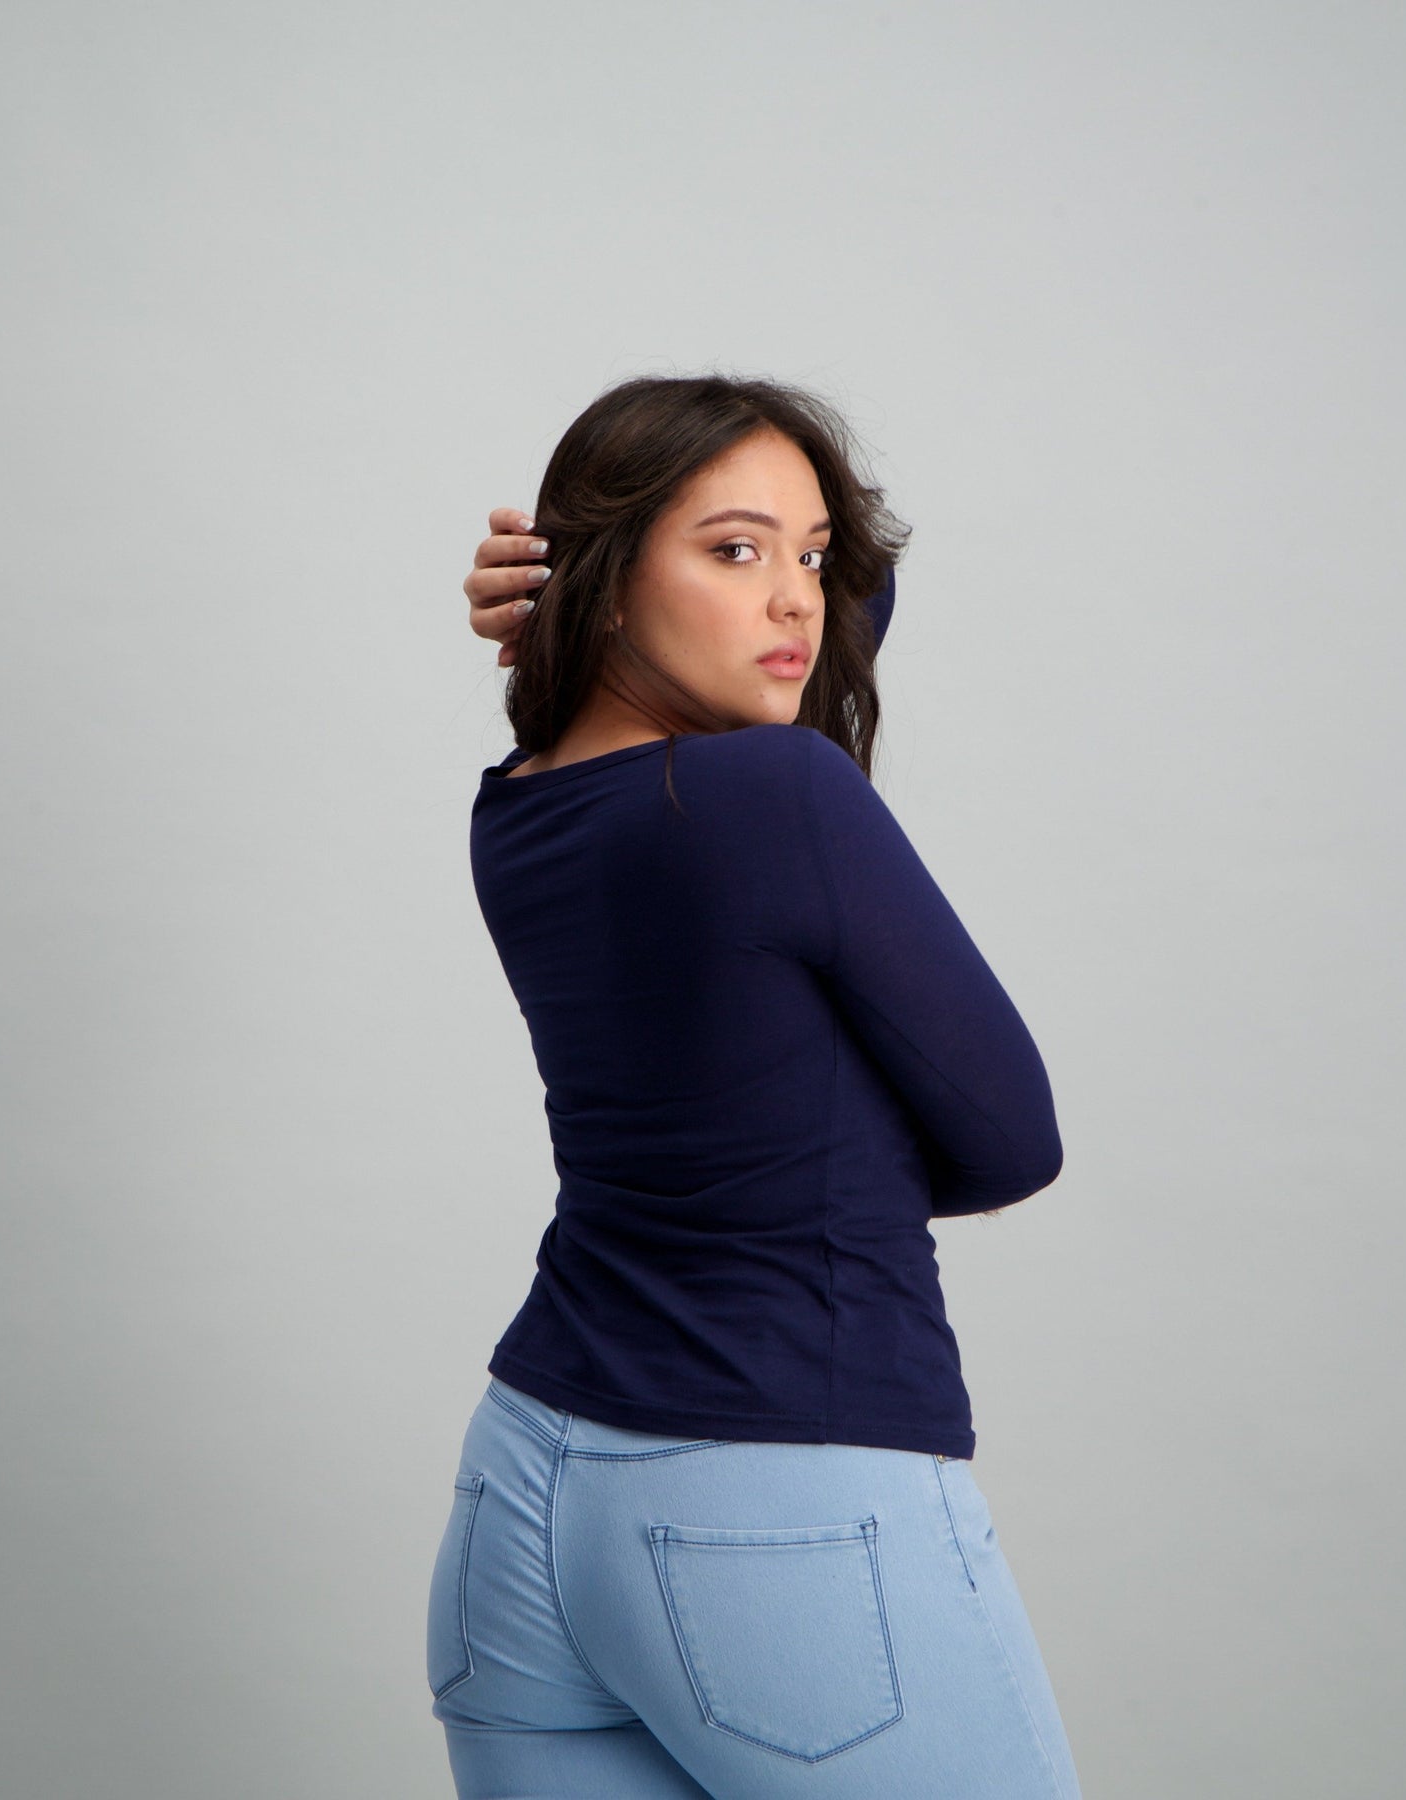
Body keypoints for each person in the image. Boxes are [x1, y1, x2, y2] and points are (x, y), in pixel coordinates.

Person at [428, 372, 1082, 1798]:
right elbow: (1013, 1139)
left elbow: (813, 627)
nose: (798, 600)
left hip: (526, 1497)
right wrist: (850, 1164)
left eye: (811, 555)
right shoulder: (777, 795)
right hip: (782, 1501)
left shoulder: (518, 808)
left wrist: (604, 595)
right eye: (734, 550)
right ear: (609, 582)